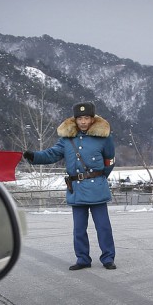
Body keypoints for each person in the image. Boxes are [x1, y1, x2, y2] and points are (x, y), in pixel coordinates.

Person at [23, 102, 117, 271]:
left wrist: (99, 178)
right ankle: (82, 259)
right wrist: (34, 156)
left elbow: (109, 161)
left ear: (92, 119)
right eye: (80, 118)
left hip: (97, 188)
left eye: (86, 117)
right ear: (75, 119)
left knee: (103, 227)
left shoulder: (104, 138)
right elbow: (51, 154)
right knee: (79, 228)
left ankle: (108, 258)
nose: (83, 121)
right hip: (77, 189)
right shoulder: (67, 140)